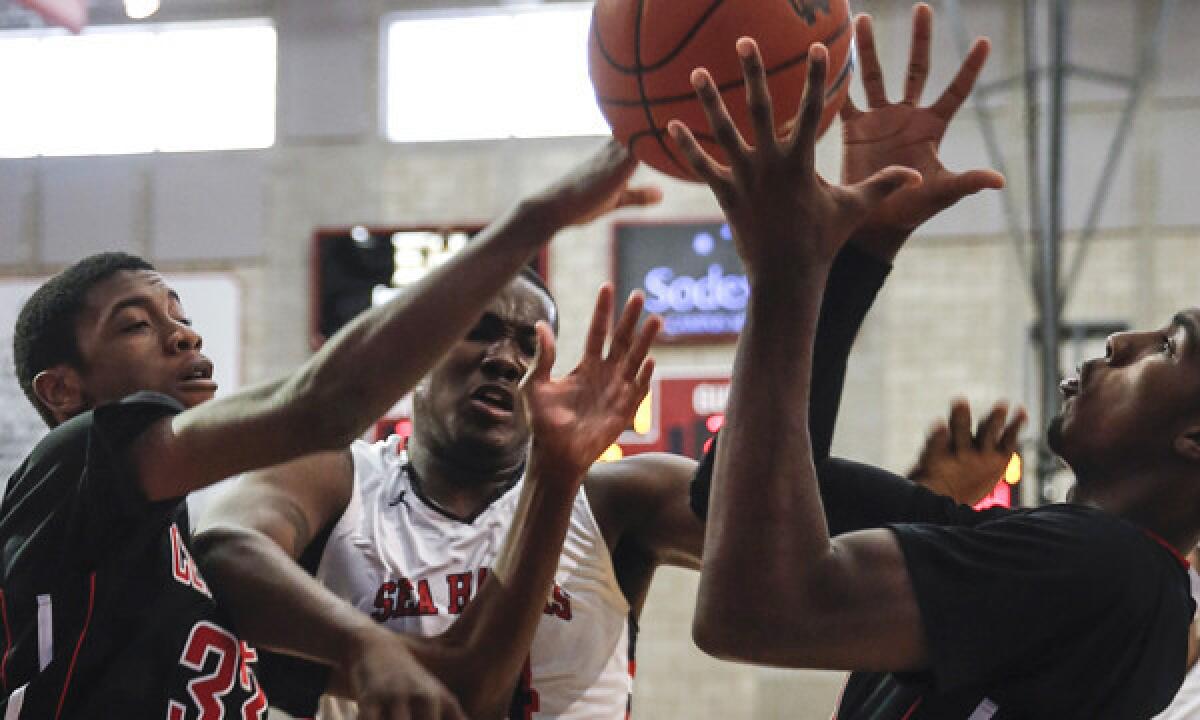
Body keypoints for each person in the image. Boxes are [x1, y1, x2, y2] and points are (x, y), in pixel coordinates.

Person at [193, 7, 1012, 720]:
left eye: (527, 344)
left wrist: (860, 259)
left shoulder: (614, 497)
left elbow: (771, 528)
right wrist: (364, 650)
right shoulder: (337, 480)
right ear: (417, 356)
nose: (503, 356)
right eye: (479, 331)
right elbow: (224, 545)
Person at [0, 140, 659, 720]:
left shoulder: (183, 584)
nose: (184, 333)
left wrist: (553, 471)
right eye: (136, 324)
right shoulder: (75, 464)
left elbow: (464, 683)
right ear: (62, 390)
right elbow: (324, 405)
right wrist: (533, 221)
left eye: (180, 313)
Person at [673, 5, 1198, 718]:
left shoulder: (1106, 569)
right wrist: (857, 253)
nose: (1120, 343)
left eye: (1169, 348)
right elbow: (728, 499)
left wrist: (790, 277)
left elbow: (752, 608)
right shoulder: (1059, 562)